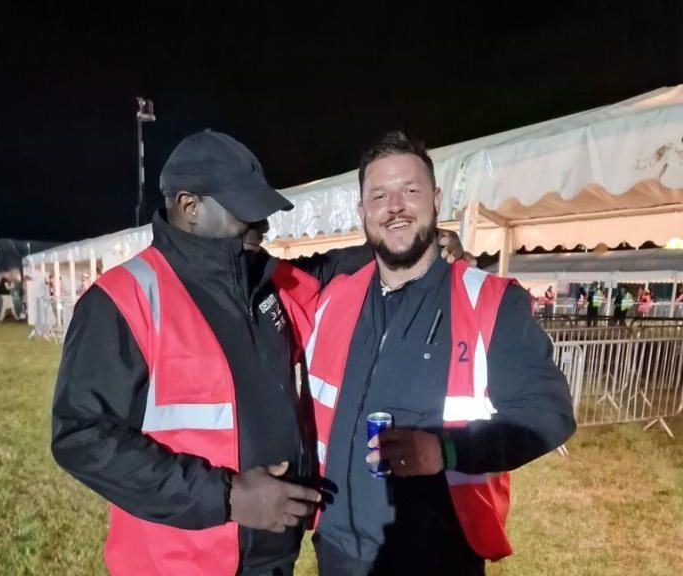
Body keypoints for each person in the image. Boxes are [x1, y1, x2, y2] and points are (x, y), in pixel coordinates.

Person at [52, 130, 470, 576]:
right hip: (179, 561)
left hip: (272, 557)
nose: (263, 227)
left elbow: (329, 271)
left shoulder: (268, 283)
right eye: (247, 212)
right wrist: (227, 497)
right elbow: (81, 437)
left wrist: (410, 242)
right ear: (189, 206)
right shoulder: (122, 300)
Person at [302, 132, 576, 575]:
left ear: (435, 199)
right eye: (379, 195)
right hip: (337, 550)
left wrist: (446, 451)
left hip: (438, 556)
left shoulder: (488, 301)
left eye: (409, 191)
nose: (395, 206)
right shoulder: (332, 297)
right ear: (362, 212)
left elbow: (550, 414)